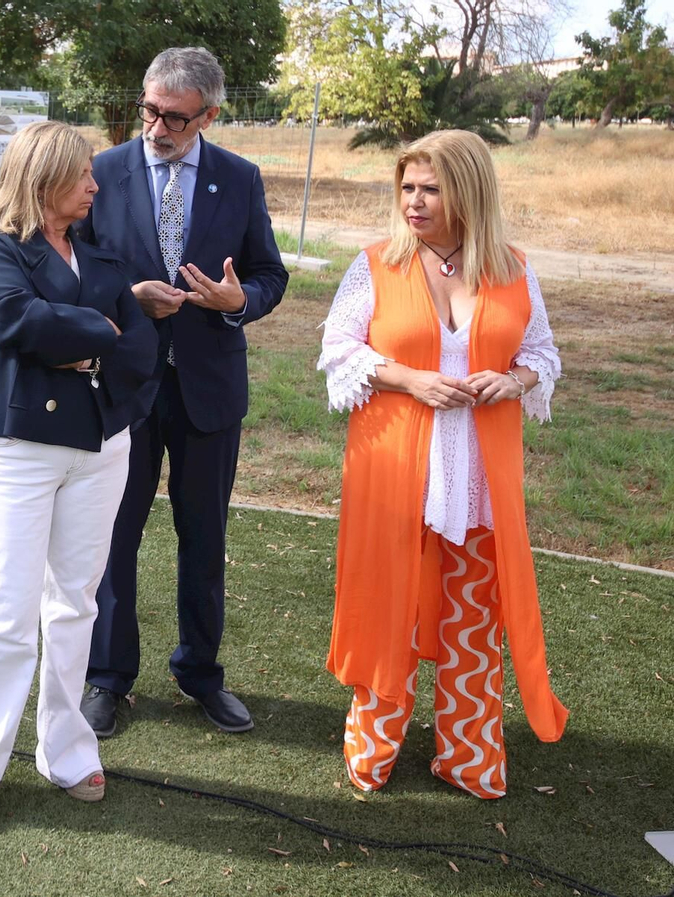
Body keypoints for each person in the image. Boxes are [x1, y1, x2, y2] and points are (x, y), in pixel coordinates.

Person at [317, 129, 566, 799]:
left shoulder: (512, 268)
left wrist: (511, 382)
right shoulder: (375, 264)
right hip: (398, 475)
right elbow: (338, 349)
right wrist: (409, 378)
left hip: (480, 481)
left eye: (431, 188)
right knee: (388, 612)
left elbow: (542, 354)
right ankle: (372, 749)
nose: (415, 202)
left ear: (468, 192)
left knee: (474, 623)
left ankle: (471, 758)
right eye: (407, 188)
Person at [0, 120, 159, 830]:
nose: (96, 185)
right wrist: (100, 333)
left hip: (101, 446)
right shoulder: (1, 252)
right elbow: (15, 320)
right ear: (43, 180)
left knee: (76, 604)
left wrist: (88, 343)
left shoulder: (103, 257)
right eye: (83, 174)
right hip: (18, 446)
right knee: (7, 609)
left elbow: (142, 347)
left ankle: (67, 750)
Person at [77, 46, 289, 738]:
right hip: (125, 385)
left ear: (210, 115)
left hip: (209, 390)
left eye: (173, 116)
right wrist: (126, 302)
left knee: (204, 538)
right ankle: (108, 677)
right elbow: (68, 273)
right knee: (116, 536)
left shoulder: (240, 177)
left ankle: (200, 672)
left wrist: (236, 300)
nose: (156, 127)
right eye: (149, 110)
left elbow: (269, 275)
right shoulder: (99, 174)